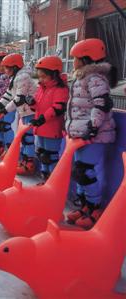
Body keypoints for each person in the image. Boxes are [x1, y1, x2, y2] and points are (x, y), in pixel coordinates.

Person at [65, 38, 117, 230]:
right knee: (79, 171)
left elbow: (101, 103)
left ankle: (94, 208)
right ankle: (84, 205)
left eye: (76, 58)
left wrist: (93, 127)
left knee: (85, 171)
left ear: (86, 58)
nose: (73, 62)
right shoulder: (82, 78)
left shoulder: (95, 78)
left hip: (96, 134)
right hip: (82, 133)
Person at [0, 53, 37, 175]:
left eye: (7, 67)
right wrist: (0, 105)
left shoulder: (23, 77)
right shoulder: (16, 77)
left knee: (28, 137)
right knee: (23, 136)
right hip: (23, 111)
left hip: (29, 111)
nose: (5, 70)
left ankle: (29, 162)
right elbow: (8, 94)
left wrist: (5, 110)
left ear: (15, 67)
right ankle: (24, 158)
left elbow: (19, 99)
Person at [28, 56, 69, 181]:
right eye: (39, 77)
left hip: (51, 129)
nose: (41, 80)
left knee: (50, 156)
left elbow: (58, 108)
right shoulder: (42, 88)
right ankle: (45, 179)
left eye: (43, 76)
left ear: (54, 74)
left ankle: (53, 182)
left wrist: (42, 119)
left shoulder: (60, 89)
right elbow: (38, 107)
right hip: (41, 127)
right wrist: (31, 103)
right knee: (41, 154)